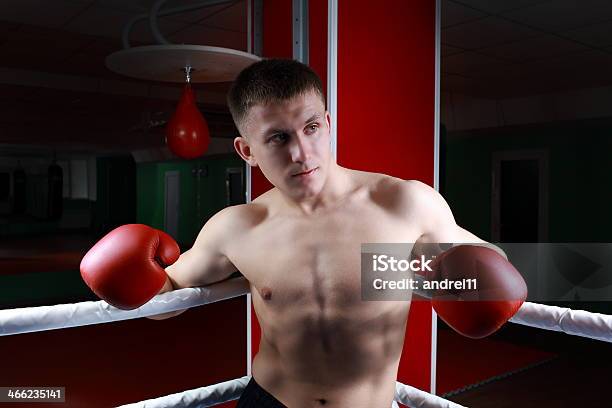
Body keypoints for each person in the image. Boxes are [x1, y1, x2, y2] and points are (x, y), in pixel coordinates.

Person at [80, 59, 527, 408]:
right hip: (272, 404)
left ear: (328, 123)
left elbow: (481, 260)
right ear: (246, 151)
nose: (302, 152)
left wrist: (480, 274)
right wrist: (131, 279)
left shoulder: (404, 204)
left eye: (311, 128)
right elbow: (170, 292)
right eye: (277, 138)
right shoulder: (237, 226)